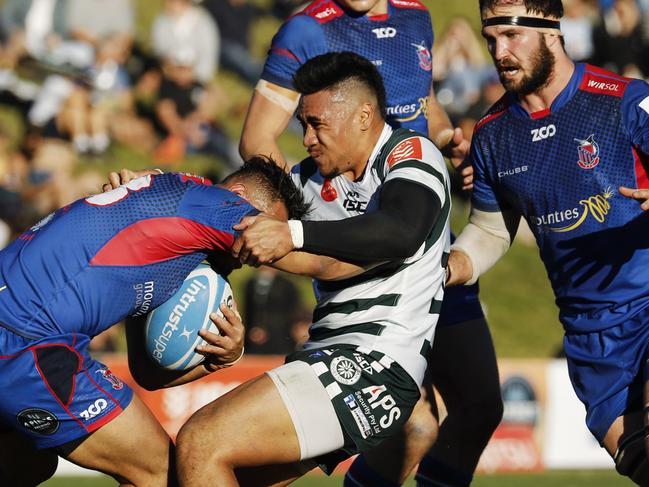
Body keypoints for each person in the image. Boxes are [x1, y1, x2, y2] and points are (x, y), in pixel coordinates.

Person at [239, 1, 503, 485]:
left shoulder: (416, 16)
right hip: (361, 246)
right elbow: (258, 140)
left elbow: (419, 102)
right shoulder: (305, 28)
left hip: (426, 239)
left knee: (479, 405)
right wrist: (312, 217)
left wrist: (444, 135)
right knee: (411, 423)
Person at [174, 51, 452, 487]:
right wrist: (153, 191)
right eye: (302, 124)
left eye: (316, 123)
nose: (305, 138)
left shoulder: (410, 155)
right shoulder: (311, 178)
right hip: (323, 356)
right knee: (205, 471)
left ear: (363, 116)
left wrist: (293, 235)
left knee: (202, 441)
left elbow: (400, 231)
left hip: (372, 364)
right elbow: (232, 208)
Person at [0, 157, 313, 486]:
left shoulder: (169, 239)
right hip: (26, 341)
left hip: (18, 332)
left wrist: (219, 360)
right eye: (271, 228)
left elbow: (145, 374)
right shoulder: (209, 202)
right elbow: (310, 256)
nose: (256, 255)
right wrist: (368, 248)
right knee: (162, 473)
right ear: (236, 195)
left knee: (27, 465)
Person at [446, 0, 649, 485]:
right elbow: (493, 231)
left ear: (552, 31)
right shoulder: (492, 136)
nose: (499, 51)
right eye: (490, 39)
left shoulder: (624, 99)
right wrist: (450, 266)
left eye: (512, 36)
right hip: (591, 340)